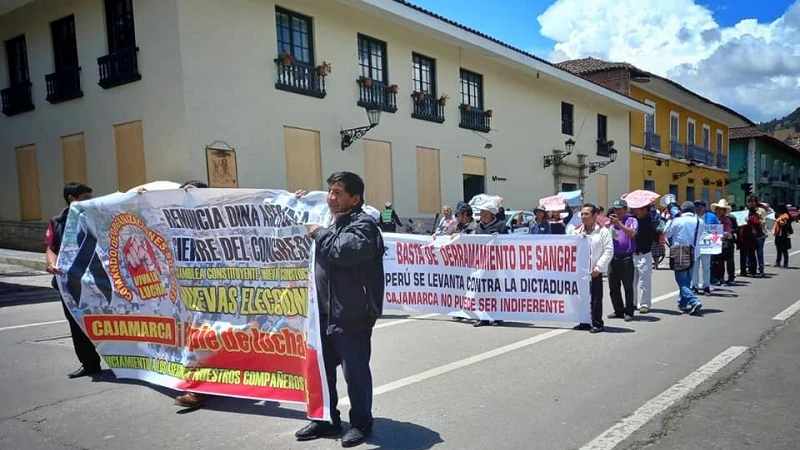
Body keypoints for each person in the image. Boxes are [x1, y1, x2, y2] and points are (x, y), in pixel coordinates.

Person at [293, 172, 384, 447]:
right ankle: (325, 419)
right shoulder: (330, 218)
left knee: (354, 371)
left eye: (338, 193)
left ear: (354, 199)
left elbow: (343, 252)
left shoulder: (364, 225)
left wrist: (319, 232)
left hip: (351, 313)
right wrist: (299, 203)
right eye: (329, 191)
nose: (331, 198)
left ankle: (361, 424)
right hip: (321, 310)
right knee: (321, 369)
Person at [45, 182, 102, 378]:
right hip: (69, 282)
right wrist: (51, 264)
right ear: (72, 199)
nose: (91, 201)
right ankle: (90, 363)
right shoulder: (58, 222)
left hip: (96, 278)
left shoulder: (96, 215)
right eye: (86, 197)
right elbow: (51, 247)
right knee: (76, 322)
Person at [572, 204, 613, 333]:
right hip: (581, 271)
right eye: (582, 214)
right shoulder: (576, 231)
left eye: (586, 214)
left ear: (594, 216)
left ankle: (597, 323)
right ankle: (584, 321)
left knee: (595, 298)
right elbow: (570, 248)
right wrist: (579, 239)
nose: (583, 217)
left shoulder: (603, 231)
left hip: (594, 270)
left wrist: (599, 267)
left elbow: (608, 250)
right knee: (582, 297)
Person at [663, 201, 703, 315]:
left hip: (679, 252)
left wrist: (669, 220)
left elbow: (666, 234)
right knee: (687, 280)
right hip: (693, 253)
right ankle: (682, 302)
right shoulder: (700, 221)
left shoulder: (677, 220)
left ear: (682, 210)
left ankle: (694, 301)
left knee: (681, 281)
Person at [474, 198, 508, 327]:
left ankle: (498, 317)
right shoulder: (479, 227)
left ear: (490, 214)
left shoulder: (501, 226)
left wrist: (499, 238)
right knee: (482, 291)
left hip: (496, 265)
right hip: (481, 264)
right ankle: (483, 317)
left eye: (483, 212)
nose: (481, 215)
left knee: (495, 292)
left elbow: (508, 244)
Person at [607, 199, 638, 321]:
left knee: (628, 286)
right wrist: (609, 224)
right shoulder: (611, 222)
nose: (617, 211)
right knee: (613, 286)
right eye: (615, 209)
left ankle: (629, 311)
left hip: (626, 257)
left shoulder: (631, 220)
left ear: (626, 209)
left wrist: (619, 224)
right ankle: (618, 310)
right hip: (613, 257)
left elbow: (632, 234)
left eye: (620, 209)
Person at [631, 204, 656, 314]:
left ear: (646, 210)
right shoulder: (633, 220)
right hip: (632, 253)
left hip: (644, 254)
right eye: (636, 209)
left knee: (644, 281)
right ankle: (632, 303)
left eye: (640, 209)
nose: (637, 211)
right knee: (631, 281)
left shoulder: (650, 220)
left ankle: (645, 304)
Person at [691, 201, 719, 294]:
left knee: (706, 267)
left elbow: (717, 230)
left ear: (704, 207)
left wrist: (717, 242)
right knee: (694, 267)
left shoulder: (712, 216)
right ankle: (694, 285)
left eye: (700, 206)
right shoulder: (691, 217)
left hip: (707, 245)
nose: (698, 209)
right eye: (696, 207)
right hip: (695, 246)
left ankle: (706, 286)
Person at [710, 199, 737, 285]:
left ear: (724, 211)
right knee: (718, 260)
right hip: (716, 241)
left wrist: (721, 236)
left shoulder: (727, 219)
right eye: (718, 209)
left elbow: (727, 231)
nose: (719, 210)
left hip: (726, 241)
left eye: (721, 209)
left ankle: (730, 277)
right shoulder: (714, 218)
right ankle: (718, 277)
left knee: (728, 260)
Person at [746, 195, 768, 276]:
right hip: (749, 235)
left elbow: (764, 221)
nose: (751, 203)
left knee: (759, 253)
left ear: (756, 202)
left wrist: (756, 219)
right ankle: (750, 268)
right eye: (750, 201)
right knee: (749, 253)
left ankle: (761, 269)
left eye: (753, 201)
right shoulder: (746, 211)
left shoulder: (761, 210)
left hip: (759, 234)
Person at [739, 208, 761, 276]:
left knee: (751, 255)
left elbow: (757, 223)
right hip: (743, 239)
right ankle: (743, 271)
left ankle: (752, 271)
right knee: (743, 256)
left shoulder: (753, 217)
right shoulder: (743, 217)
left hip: (751, 240)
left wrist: (749, 220)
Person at [774, 203, 793, 268]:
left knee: (784, 250)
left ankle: (785, 263)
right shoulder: (778, 215)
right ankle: (778, 262)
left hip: (784, 235)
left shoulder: (786, 215)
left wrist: (784, 224)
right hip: (778, 234)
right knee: (778, 249)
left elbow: (788, 224)